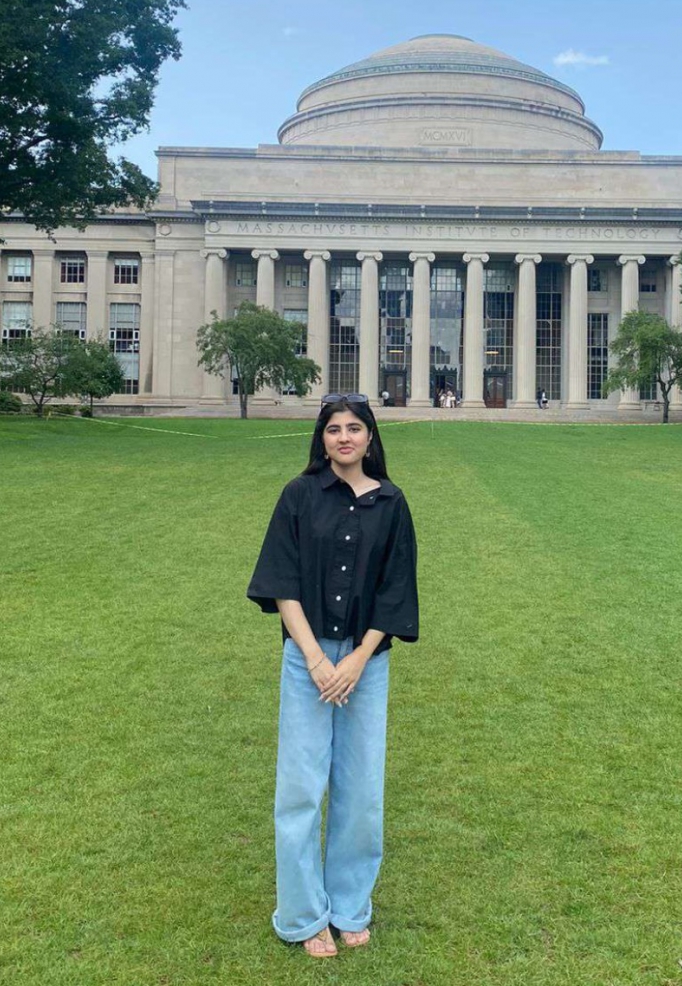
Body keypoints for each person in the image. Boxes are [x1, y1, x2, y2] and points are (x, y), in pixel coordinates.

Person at [247, 392, 419, 958]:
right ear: (321, 438)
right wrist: (318, 659)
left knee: (361, 790)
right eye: (333, 429)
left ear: (371, 437)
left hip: (366, 662)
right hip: (307, 657)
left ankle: (348, 905)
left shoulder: (393, 503)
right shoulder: (298, 495)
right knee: (300, 788)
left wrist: (357, 658)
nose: (343, 437)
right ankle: (302, 914)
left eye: (354, 428)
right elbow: (281, 581)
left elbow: (396, 592)